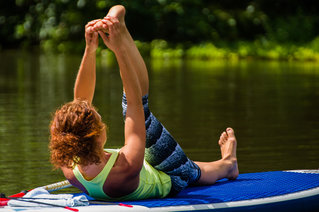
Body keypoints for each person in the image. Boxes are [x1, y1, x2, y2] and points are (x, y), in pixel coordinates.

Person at [49, 5, 239, 201]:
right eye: (100, 120)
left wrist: (90, 49)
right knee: (187, 168)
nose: (93, 109)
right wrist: (119, 49)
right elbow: (134, 102)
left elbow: (80, 103)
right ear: (97, 136)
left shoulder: (69, 162)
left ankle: (227, 163)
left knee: (177, 158)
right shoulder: (125, 169)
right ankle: (227, 165)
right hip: (173, 177)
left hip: (146, 165)